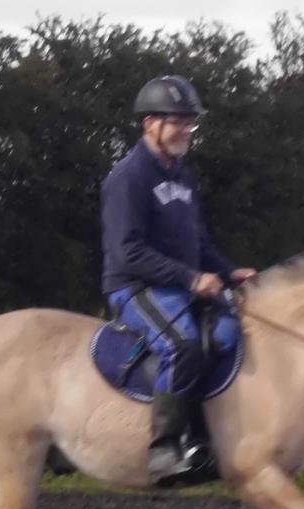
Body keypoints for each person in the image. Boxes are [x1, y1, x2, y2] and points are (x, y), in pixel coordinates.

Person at [100, 74, 256, 486]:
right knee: (181, 343)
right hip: (135, 288)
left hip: (181, 285)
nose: (187, 130)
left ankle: (203, 444)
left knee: (227, 334)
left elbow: (199, 244)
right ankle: (165, 451)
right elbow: (126, 251)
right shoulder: (128, 177)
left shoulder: (183, 177)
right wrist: (190, 279)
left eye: (190, 122)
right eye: (178, 122)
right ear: (150, 123)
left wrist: (227, 271)